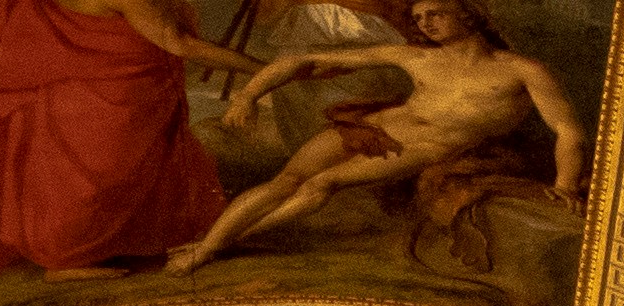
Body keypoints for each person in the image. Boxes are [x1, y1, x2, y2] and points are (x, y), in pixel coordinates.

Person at [169, 0, 583, 278]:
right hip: (371, 127)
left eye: (435, 14)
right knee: (286, 180)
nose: (424, 24)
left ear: (468, 16)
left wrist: (564, 182)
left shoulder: (522, 70)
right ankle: (208, 245)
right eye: (419, 18)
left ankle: (220, 242)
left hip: (423, 148)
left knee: (321, 184)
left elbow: (566, 130)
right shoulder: (415, 56)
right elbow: (303, 59)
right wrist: (247, 95)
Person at [0, 0, 247, 276]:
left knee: (82, 181)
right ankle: (65, 260)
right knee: (98, 179)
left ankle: (75, 254)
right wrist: (261, 68)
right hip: (107, 101)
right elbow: (178, 43)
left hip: (81, 96)